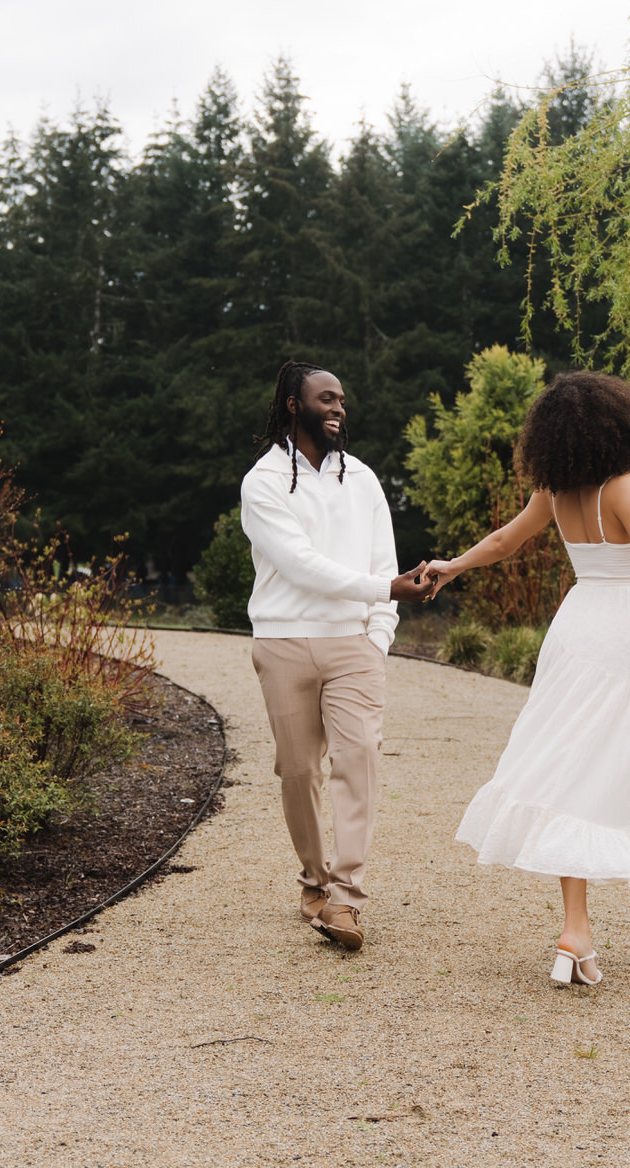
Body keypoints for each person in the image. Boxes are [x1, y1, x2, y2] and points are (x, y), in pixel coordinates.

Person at [426, 371, 630, 986]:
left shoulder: (554, 490)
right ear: (621, 427)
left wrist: (452, 566)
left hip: (577, 630)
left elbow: (503, 542)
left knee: (576, 767)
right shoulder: (623, 488)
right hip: (629, 631)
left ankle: (588, 928)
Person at [240, 360, 434, 951]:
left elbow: (383, 559)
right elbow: (300, 565)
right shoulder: (263, 481)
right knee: (298, 772)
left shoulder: (366, 480)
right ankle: (314, 879)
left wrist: (378, 634)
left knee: (359, 761)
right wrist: (390, 590)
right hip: (281, 642)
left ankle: (345, 898)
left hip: (354, 646)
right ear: (293, 405)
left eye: (342, 400)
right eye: (326, 399)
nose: (338, 408)